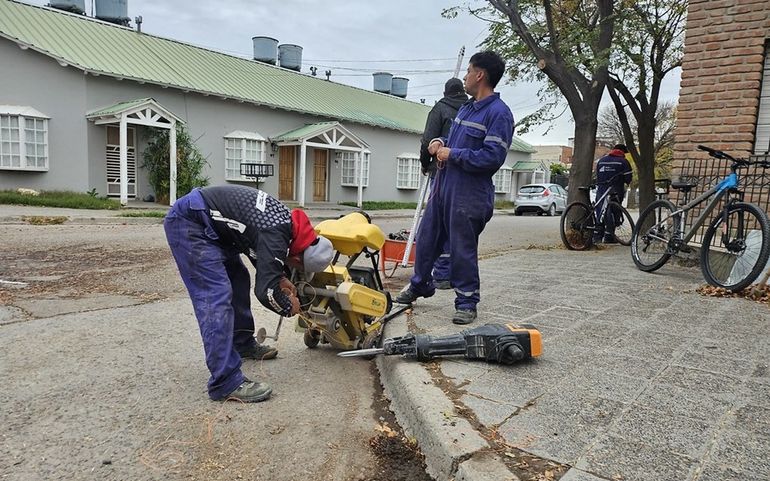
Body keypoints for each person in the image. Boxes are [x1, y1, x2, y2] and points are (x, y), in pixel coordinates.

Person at [164, 185, 334, 403]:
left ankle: (242, 343)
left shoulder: (287, 225)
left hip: (214, 227)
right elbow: (265, 292)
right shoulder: (275, 233)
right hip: (192, 223)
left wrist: (280, 278)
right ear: (299, 257)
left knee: (238, 279)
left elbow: (261, 252)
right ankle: (224, 382)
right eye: (298, 267)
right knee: (215, 295)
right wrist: (288, 305)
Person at [396, 51, 514, 325]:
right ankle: (420, 284)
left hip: (469, 193)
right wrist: (438, 142)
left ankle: (466, 301)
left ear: (480, 74)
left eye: (469, 71)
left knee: (462, 247)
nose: (465, 77)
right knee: (426, 239)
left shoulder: (499, 114)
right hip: (443, 186)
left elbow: (492, 157)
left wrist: (453, 154)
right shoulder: (466, 108)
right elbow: (450, 139)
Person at [419, 78, 469, 289]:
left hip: (440, 171)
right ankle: (453, 272)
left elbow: (427, 140)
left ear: (445, 91)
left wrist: (424, 163)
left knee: (437, 223)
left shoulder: (440, 109)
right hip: (464, 172)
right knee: (455, 223)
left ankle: (441, 274)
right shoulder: (469, 109)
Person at [594, 144, 633, 243]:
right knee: (614, 210)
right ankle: (609, 235)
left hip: (601, 189)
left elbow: (597, 175)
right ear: (622, 152)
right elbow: (628, 178)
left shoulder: (601, 160)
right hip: (616, 189)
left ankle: (598, 235)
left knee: (600, 210)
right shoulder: (623, 162)